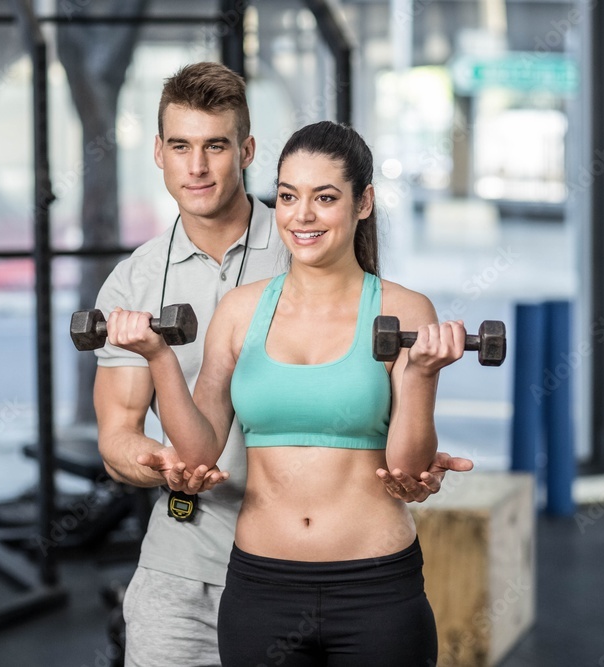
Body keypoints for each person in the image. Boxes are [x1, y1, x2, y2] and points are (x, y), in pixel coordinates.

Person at [92, 62, 472, 667]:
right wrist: (161, 462)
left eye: (215, 146)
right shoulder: (137, 281)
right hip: (201, 554)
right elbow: (121, 434)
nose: (197, 167)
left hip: (361, 574)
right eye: (181, 147)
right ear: (158, 153)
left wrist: (417, 433)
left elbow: (402, 449)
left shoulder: (306, 243)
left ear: (244, 152)